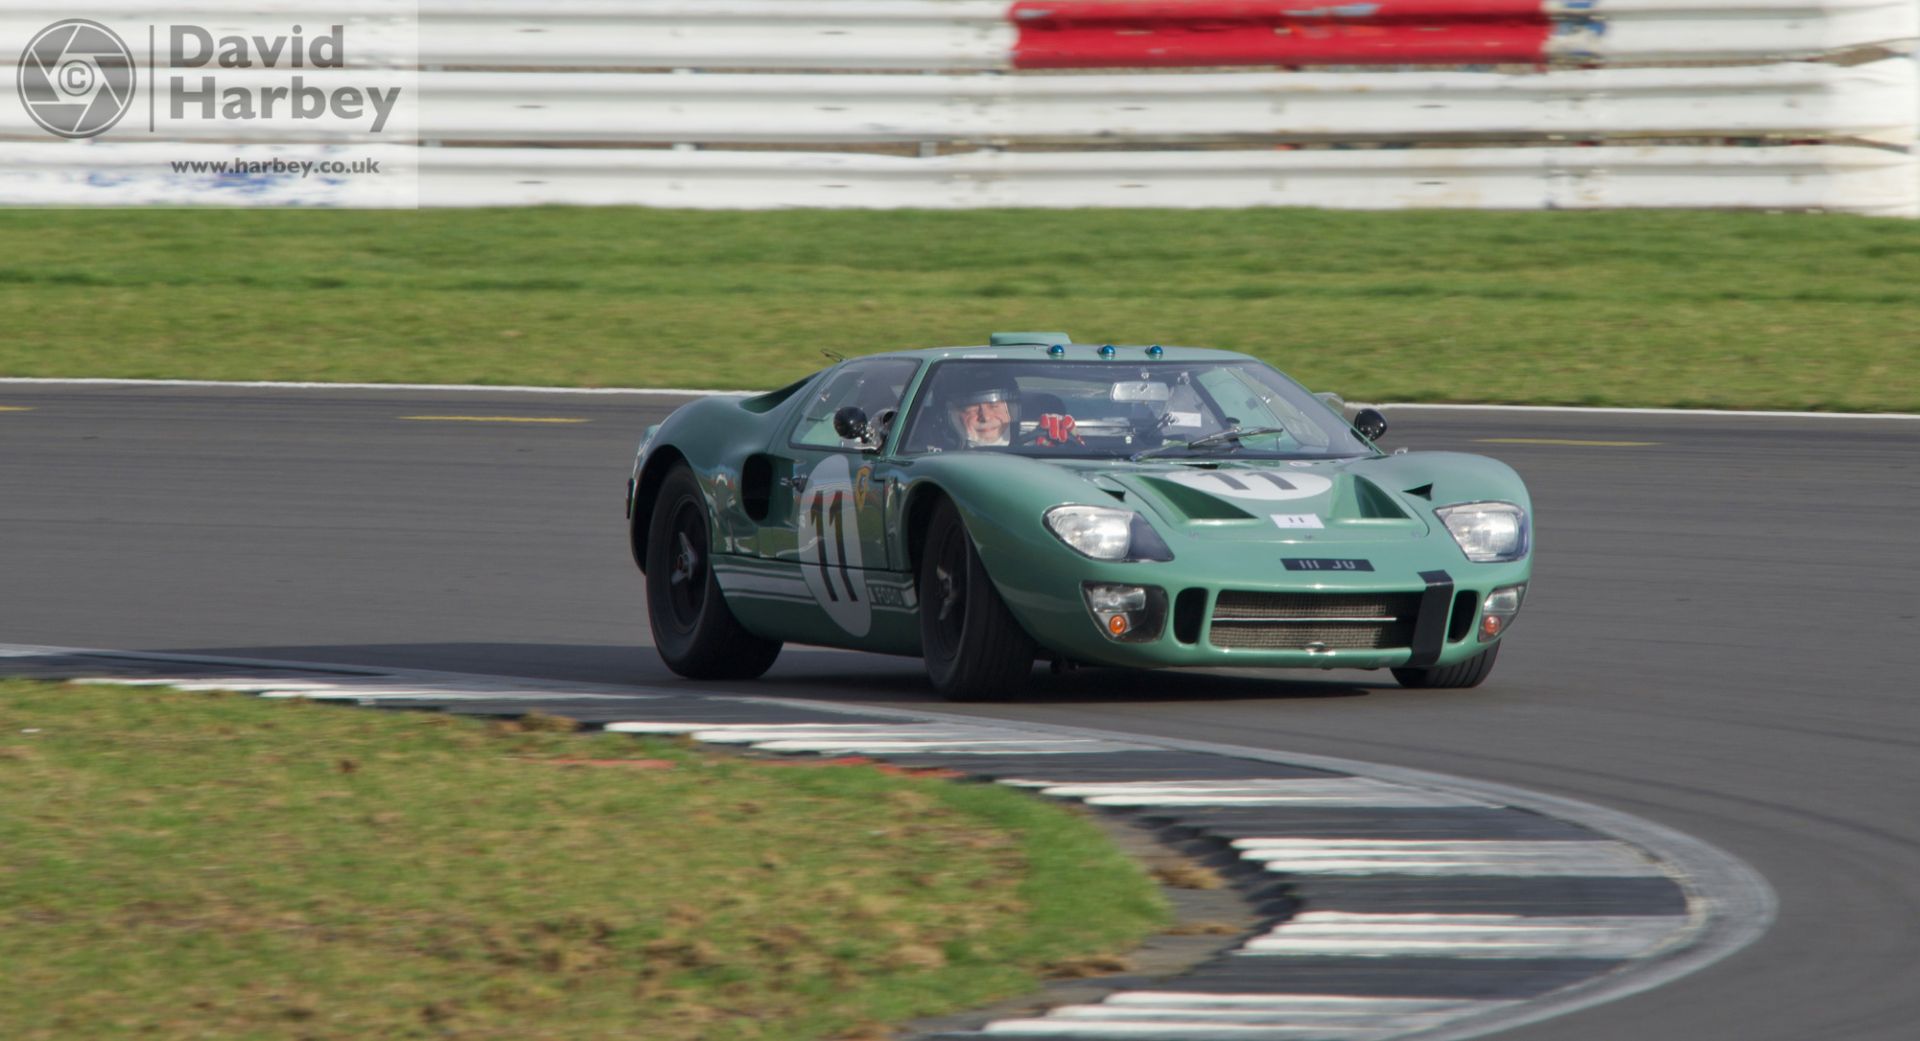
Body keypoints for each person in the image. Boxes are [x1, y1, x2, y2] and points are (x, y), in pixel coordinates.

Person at [944, 371, 1018, 448]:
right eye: (971, 407)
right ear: (953, 417)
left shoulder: (1030, 453)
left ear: (1011, 411)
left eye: (994, 405)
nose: (986, 417)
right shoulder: (936, 457)